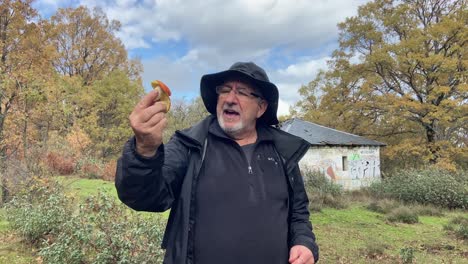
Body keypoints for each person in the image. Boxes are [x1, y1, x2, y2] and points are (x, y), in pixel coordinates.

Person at [115, 62, 319, 264]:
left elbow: (298, 212)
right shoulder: (189, 145)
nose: (230, 99)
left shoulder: (282, 152)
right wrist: (144, 150)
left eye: (242, 92)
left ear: (261, 107)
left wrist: (304, 242)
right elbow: (145, 197)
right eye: (225, 90)